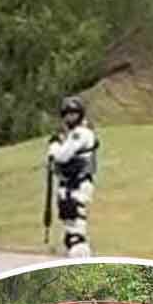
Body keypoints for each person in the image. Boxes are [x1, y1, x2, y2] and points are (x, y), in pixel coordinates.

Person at [48, 96, 99, 258]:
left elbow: (62, 156)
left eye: (74, 114)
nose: (71, 117)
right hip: (68, 183)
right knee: (70, 226)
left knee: (76, 228)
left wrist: (54, 146)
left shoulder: (81, 133)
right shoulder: (71, 134)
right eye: (68, 114)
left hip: (79, 183)